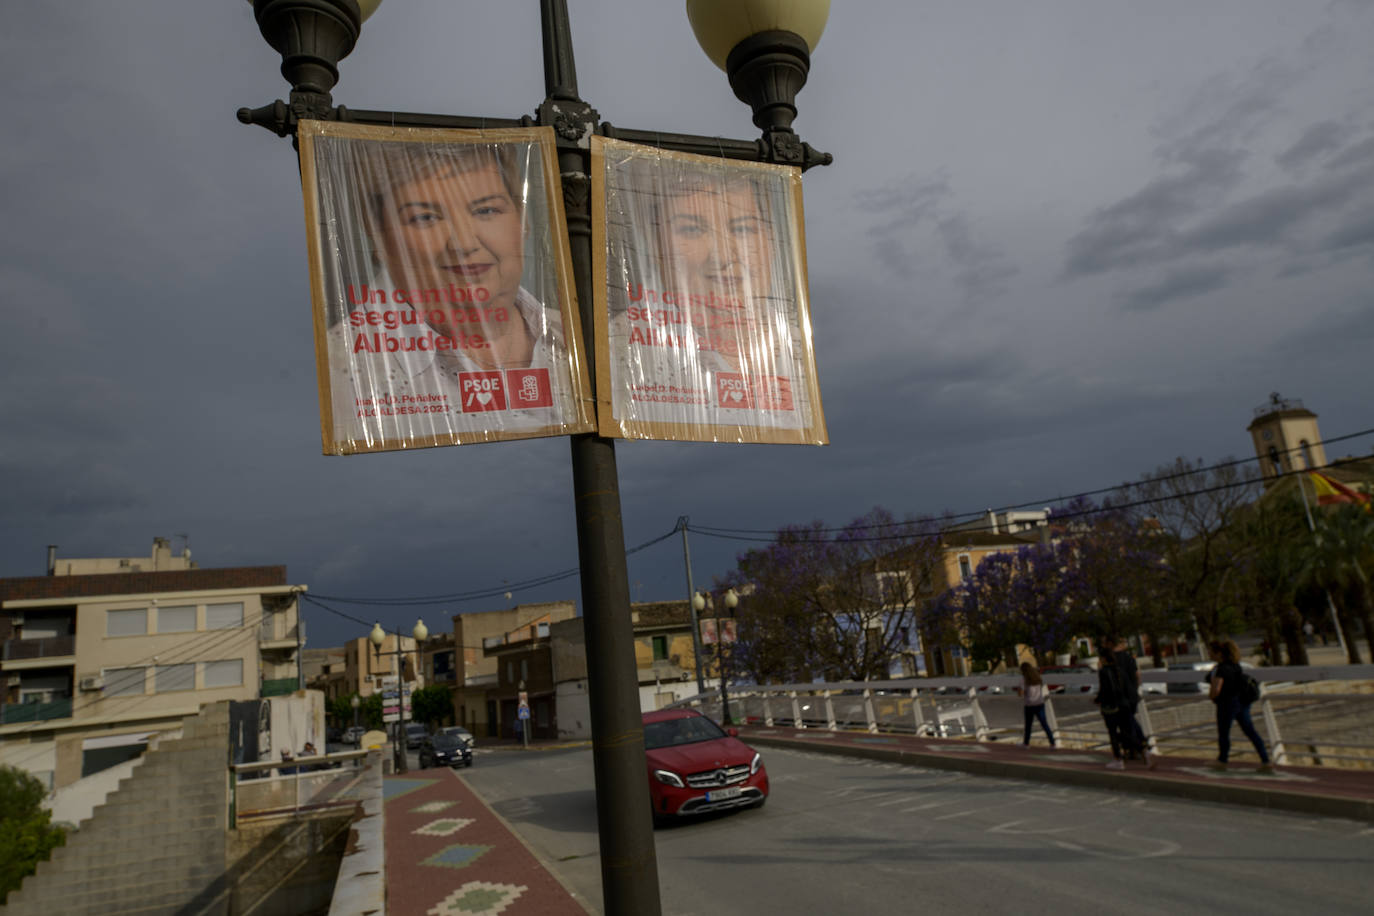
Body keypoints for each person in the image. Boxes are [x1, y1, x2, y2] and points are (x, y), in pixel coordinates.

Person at [315, 133, 585, 449]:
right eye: (425, 217)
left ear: (522, 221)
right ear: (379, 240)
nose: (463, 244)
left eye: (486, 210)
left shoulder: (590, 343)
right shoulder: (340, 370)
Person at [604, 151, 822, 440]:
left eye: (743, 228)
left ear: (771, 240)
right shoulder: (618, 350)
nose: (725, 255)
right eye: (692, 229)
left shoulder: (802, 349)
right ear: (655, 247)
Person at [1206, 639, 1272, 772]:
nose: (1209, 654)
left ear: (1218, 653)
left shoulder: (1221, 669)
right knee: (1250, 731)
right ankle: (1265, 760)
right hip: (1242, 702)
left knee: (1224, 732)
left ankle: (1222, 760)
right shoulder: (1236, 666)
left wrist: (1212, 696)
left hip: (1226, 704)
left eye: (1211, 652)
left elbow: (1216, 689)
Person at [1096, 646, 1154, 770]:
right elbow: (1128, 687)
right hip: (1125, 706)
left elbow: (1105, 690)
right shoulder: (1120, 670)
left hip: (1111, 708)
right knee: (1126, 733)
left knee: (1113, 734)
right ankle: (1144, 750)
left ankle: (1118, 760)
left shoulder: (1104, 672)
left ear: (1103, 659)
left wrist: (1097, 700)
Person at [1113, 636, 1148, 759]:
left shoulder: (1112, 660)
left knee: (1126, 724)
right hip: (1132, 696)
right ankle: (1139, 746)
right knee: (1130, 720)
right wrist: (1134, 689)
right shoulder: (1129, 658)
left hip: (1121, 698)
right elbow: (1137, 675)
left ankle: (1137, 747)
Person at [1020, 661, 1056, 748]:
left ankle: (1026, 743)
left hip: (1029, 705)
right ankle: (1052, 743)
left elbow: (1020, 693)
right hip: (1039, 703)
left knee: (1028, 726)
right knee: (1044, 724)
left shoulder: (1024, 680)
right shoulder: (1037, 678)